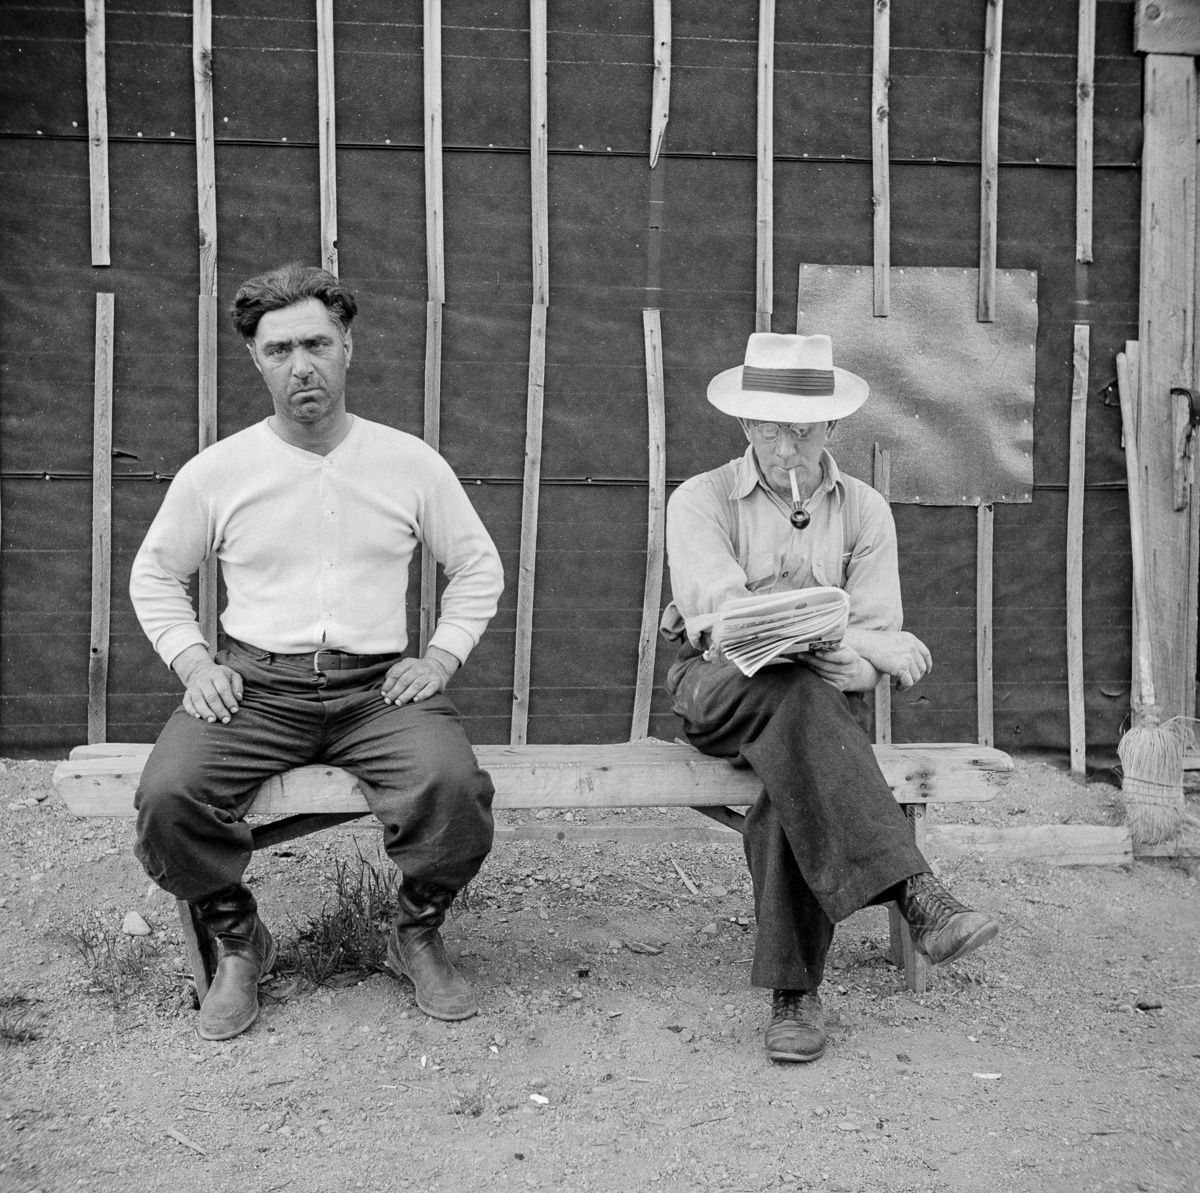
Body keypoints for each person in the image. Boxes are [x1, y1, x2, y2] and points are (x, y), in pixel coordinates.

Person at [129, 263, 504, 1041]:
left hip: (378, 692)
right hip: (257, 688)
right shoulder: (219, 472)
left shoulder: (407, 462)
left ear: (347, 348)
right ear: (256, 359)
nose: (301, 364)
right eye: (279, 349)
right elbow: (155, 572)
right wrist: (196, 663)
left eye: (316, 343)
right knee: (168, 796)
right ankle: (238, 937)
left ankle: (417, 929)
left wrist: (439, 657)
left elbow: (477, 564)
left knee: (454, 787)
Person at [661, 332, 998, 1064]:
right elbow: (728, 622)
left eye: (804, 429)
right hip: (717, 687)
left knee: (799, 740)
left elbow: (870, 650)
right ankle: (916, 892)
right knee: (796, 695)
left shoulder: (866, 510)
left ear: (832, 428)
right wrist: (869, 648)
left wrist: (863, 658)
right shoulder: (701, 499)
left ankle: (795, 996)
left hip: (812, 706)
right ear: (746, 425)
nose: (787, 445)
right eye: (772, 427)